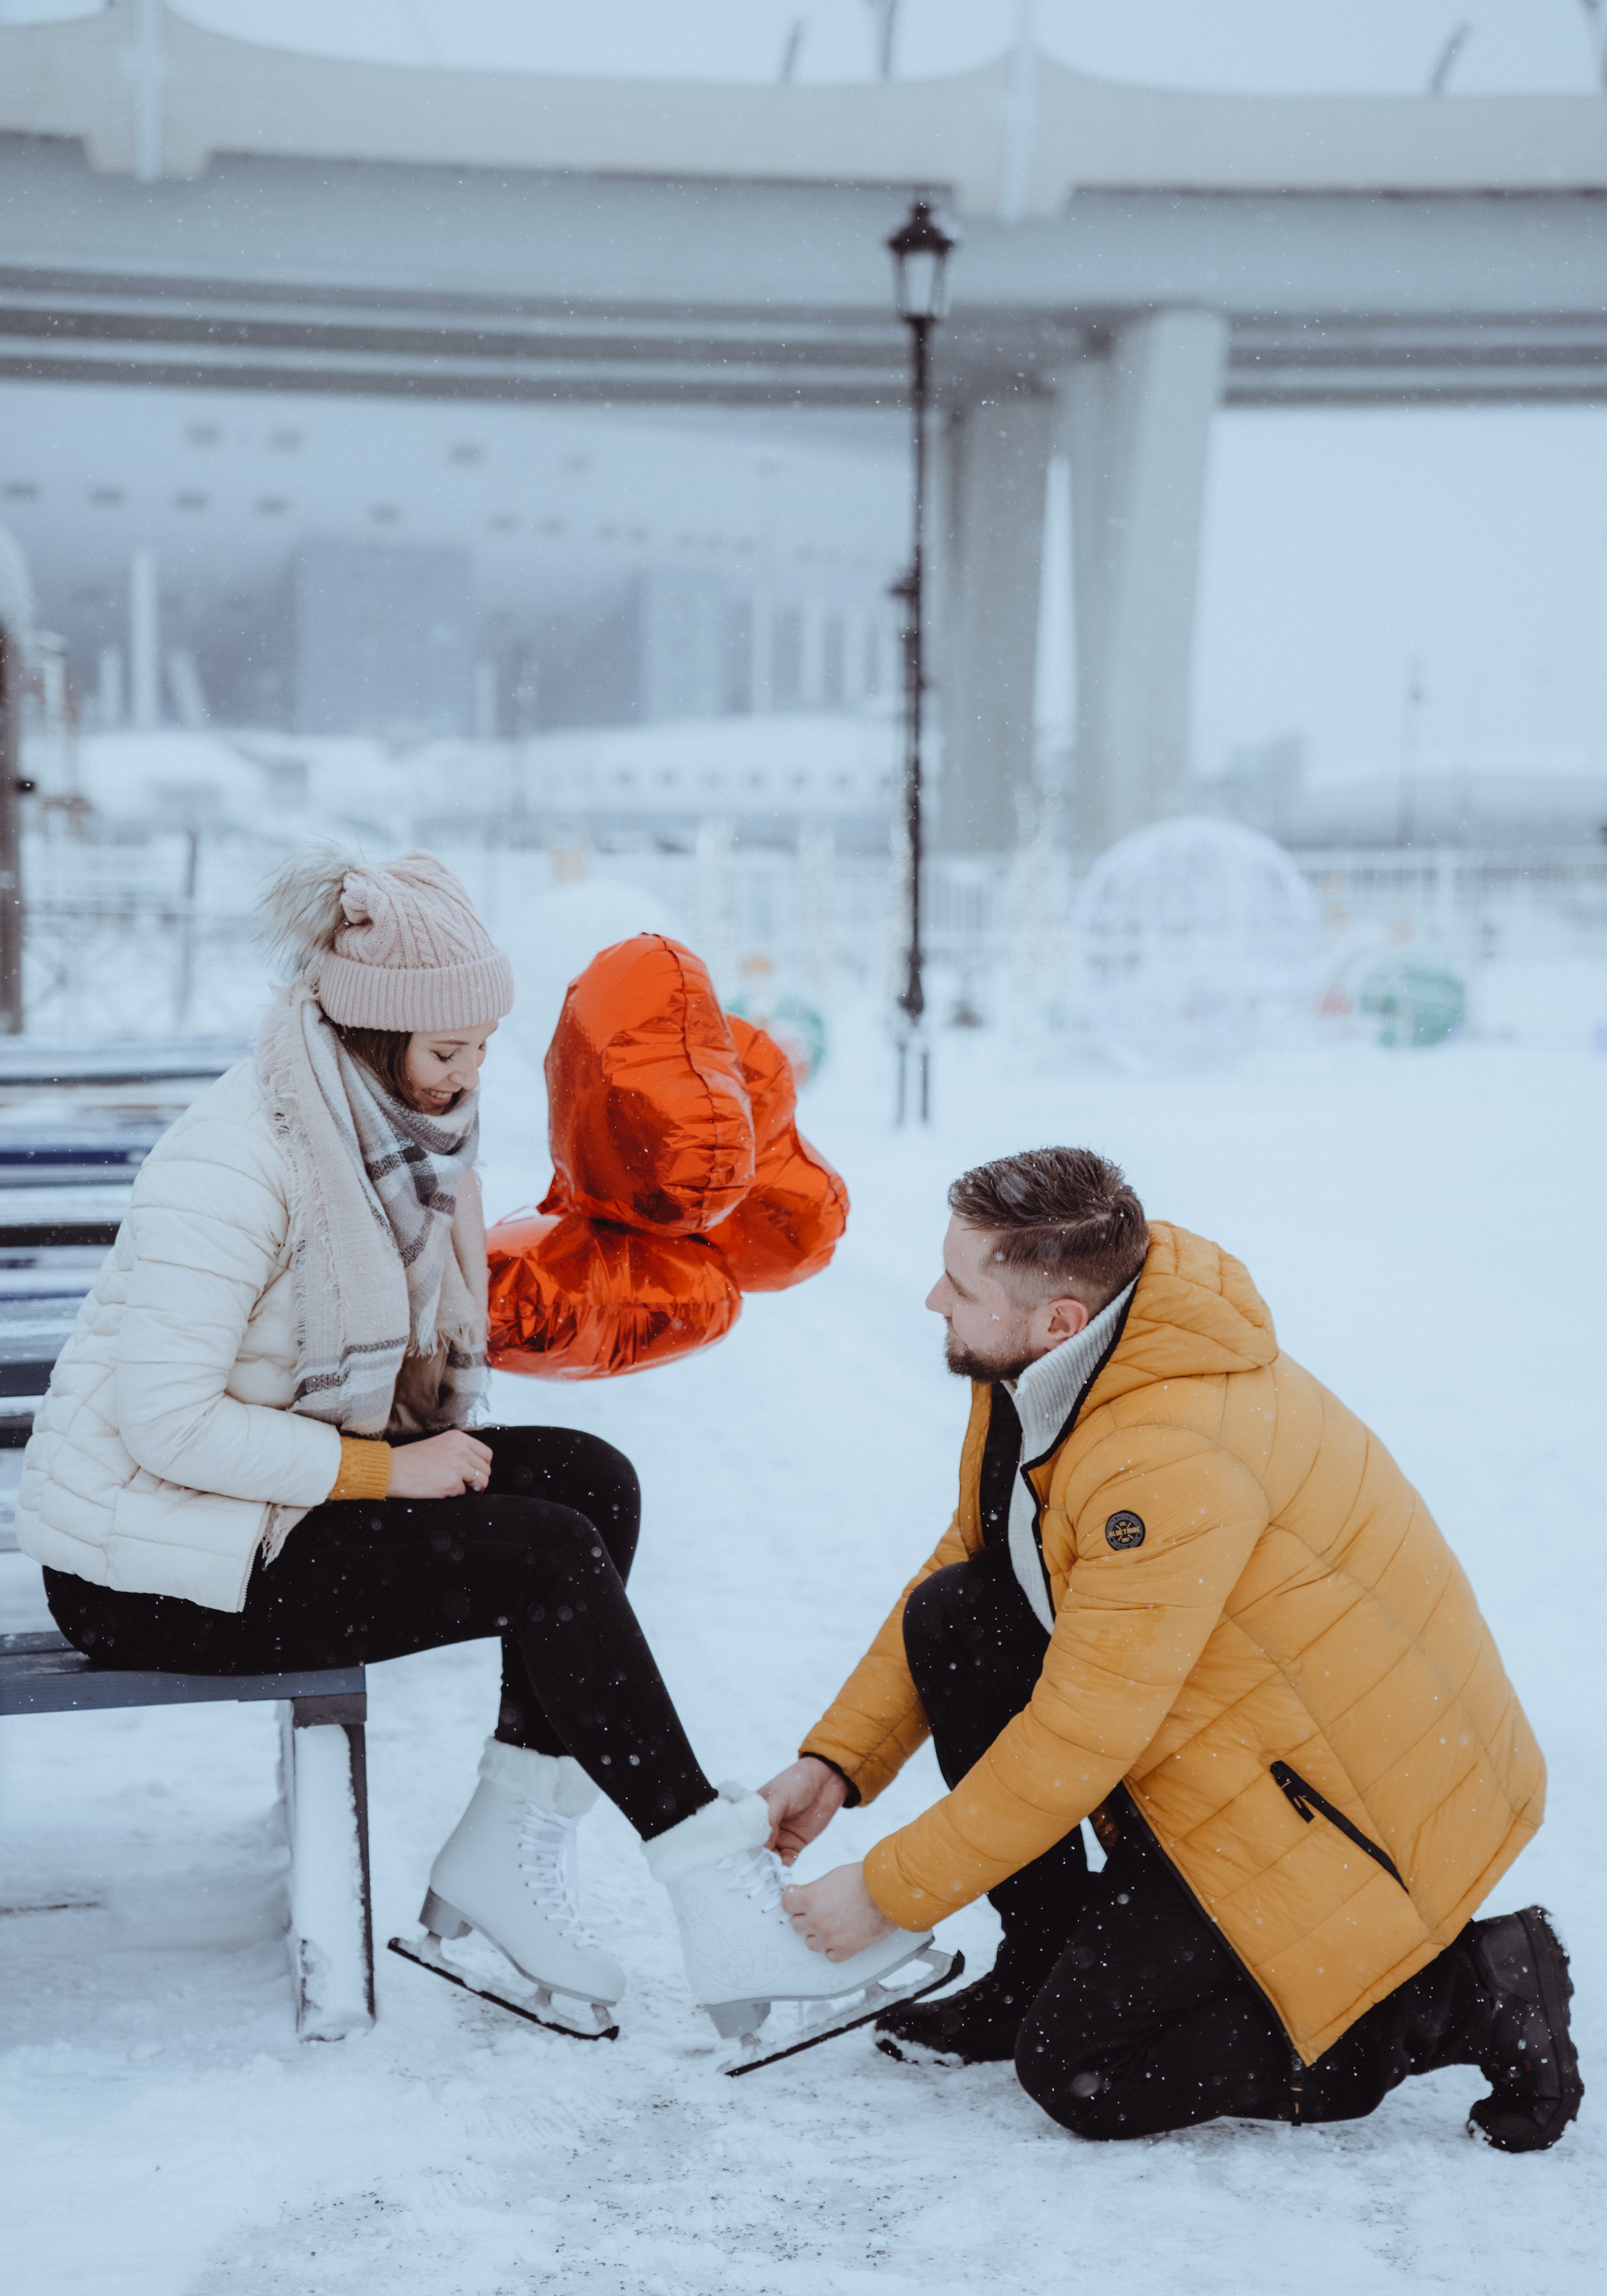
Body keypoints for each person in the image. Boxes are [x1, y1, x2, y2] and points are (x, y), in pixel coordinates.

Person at [17, 845, 925, 2039]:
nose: (469, 1077)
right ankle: (716, 1889)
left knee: (594, 1483)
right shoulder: (237, 1160)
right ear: (371, 1031)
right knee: (544, 1556)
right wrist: (389, 1470)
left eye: (485, 1049)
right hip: (152, 1568)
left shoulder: (398, 1137)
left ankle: (509, 1837)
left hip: (264, 1509)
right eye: (448, 1051)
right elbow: (167, 1421)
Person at [761, 1145, 1583, 2150]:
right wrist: (839, 1761)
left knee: (1086, 2073)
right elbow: (983, 1553)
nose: (934, 1298)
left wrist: (886, 1893)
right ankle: (1039, 1959)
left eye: (960, 1286)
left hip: (1335, 1813)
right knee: (958, 1616)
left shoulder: (1166, 1454)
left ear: (1059, 1318)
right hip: (1229, 1738)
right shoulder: (1064, 1356)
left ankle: (1468, 1989)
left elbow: (1080, 1736)